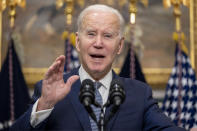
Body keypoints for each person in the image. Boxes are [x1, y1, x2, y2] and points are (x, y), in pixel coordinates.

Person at [11, 4, 186, 131]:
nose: (98, 43)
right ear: (78, 42)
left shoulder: (140, 94)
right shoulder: (49, 91)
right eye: (91, 34)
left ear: (119, 46)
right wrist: (44, 105)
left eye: (108, 35)